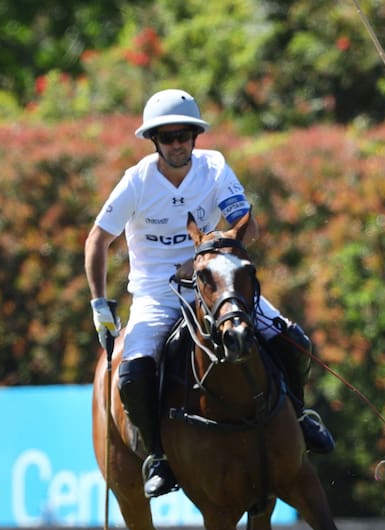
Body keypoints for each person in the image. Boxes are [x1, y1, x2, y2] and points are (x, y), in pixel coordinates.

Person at [85, 88, 334, 499]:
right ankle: (160, 456)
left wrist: (206, 253)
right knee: (132, 373)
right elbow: (97, 240)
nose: (178, 144)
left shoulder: (214, 167)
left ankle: (300, 417)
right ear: (154, 141)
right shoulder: (137, 182)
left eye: (185, 134)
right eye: (168, 137)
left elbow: (246, 226)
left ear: (196, 137)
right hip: (156, 294)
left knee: (291, 339)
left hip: (216, 285)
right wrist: (99, 304)